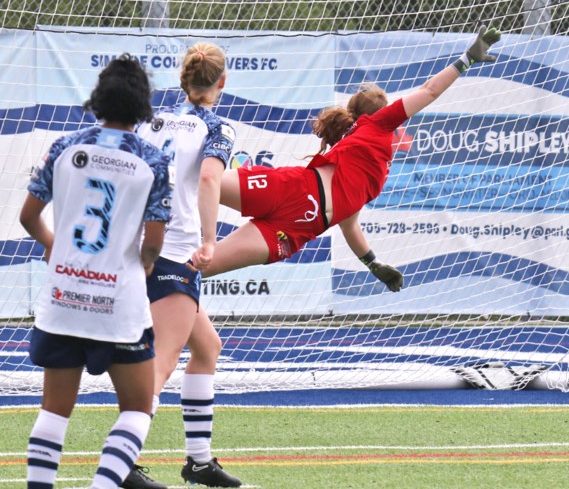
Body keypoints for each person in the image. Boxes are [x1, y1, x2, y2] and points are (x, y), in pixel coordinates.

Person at [198, 25, 501, 283]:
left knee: (193, 244)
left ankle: (154, 241)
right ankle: (154, 207)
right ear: (377, 115)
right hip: (297, 218)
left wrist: (373, 263)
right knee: (198, 259)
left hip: (292, 199)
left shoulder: (369, 160)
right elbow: (430, 90)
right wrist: (466, 60)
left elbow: (349, 223)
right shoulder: (378, 125)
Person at [19, 54, 171, 489]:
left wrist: (55, 246)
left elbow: (28, 216)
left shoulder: (65, 147)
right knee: (139, 408)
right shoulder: (153, 161)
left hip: (64, 296)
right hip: (117, 304)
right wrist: (141, 268)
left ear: (97, 100)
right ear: (143, 106)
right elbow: (155, 242)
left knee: (53, 411)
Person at [123, 42, 242, 489]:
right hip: (175, 253)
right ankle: (123, 464)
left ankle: (198, 463)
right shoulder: (217, 126)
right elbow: (211, 177)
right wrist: (211, 240)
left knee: (207, 346)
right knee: (162, 362)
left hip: (142, 245)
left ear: (183, 80)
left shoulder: (152, 120)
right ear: (222, 82)